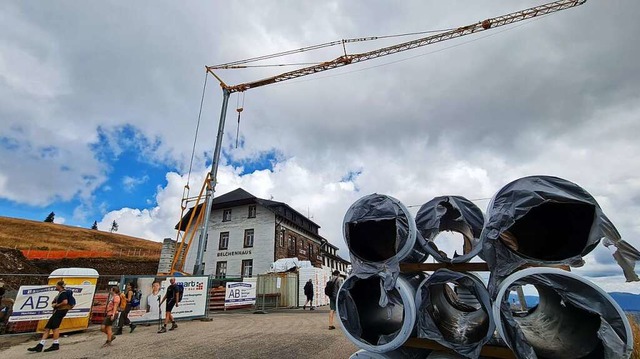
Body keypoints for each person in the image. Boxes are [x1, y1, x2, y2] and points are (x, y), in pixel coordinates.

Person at [28, 280, 71, 352]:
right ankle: (40, 345)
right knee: (47, 328)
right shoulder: (60, 293)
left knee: (55, 327)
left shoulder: (63, 293)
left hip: (60, 311)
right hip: (58, 311)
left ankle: (55, 344)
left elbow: (65, 302)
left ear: (59, 286)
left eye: (56, 285)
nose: (55, 286)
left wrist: (56, 305)